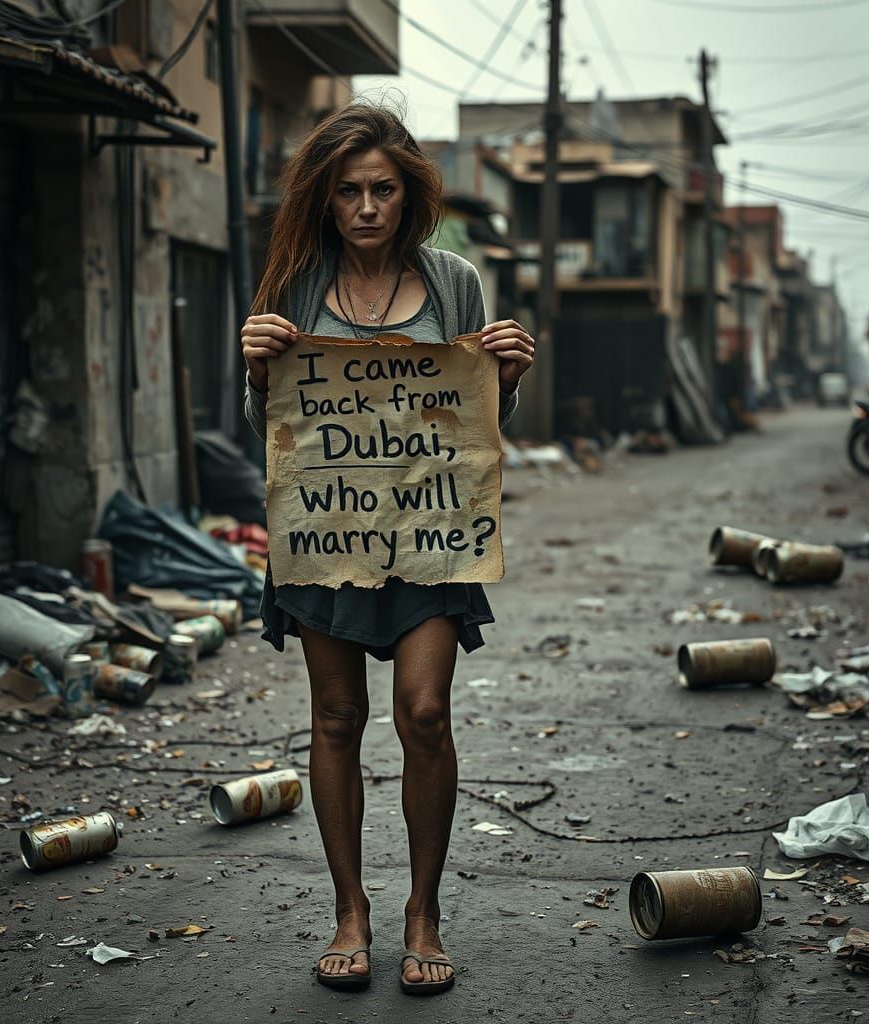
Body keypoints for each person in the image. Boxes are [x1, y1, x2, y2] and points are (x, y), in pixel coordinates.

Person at [241, 102, 534, 995]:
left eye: (382, 190)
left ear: (409, 195)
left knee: (425, 714)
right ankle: (350, 912)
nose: (366, 208)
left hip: (429, 538)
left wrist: (505, 379)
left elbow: (476, 428)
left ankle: (422, 914)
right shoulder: (292, 285)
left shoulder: (454, 283)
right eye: (348, 192)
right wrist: (255, 371)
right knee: (335, 718)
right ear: (324, 200)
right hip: (326, 535)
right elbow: (273, 429)